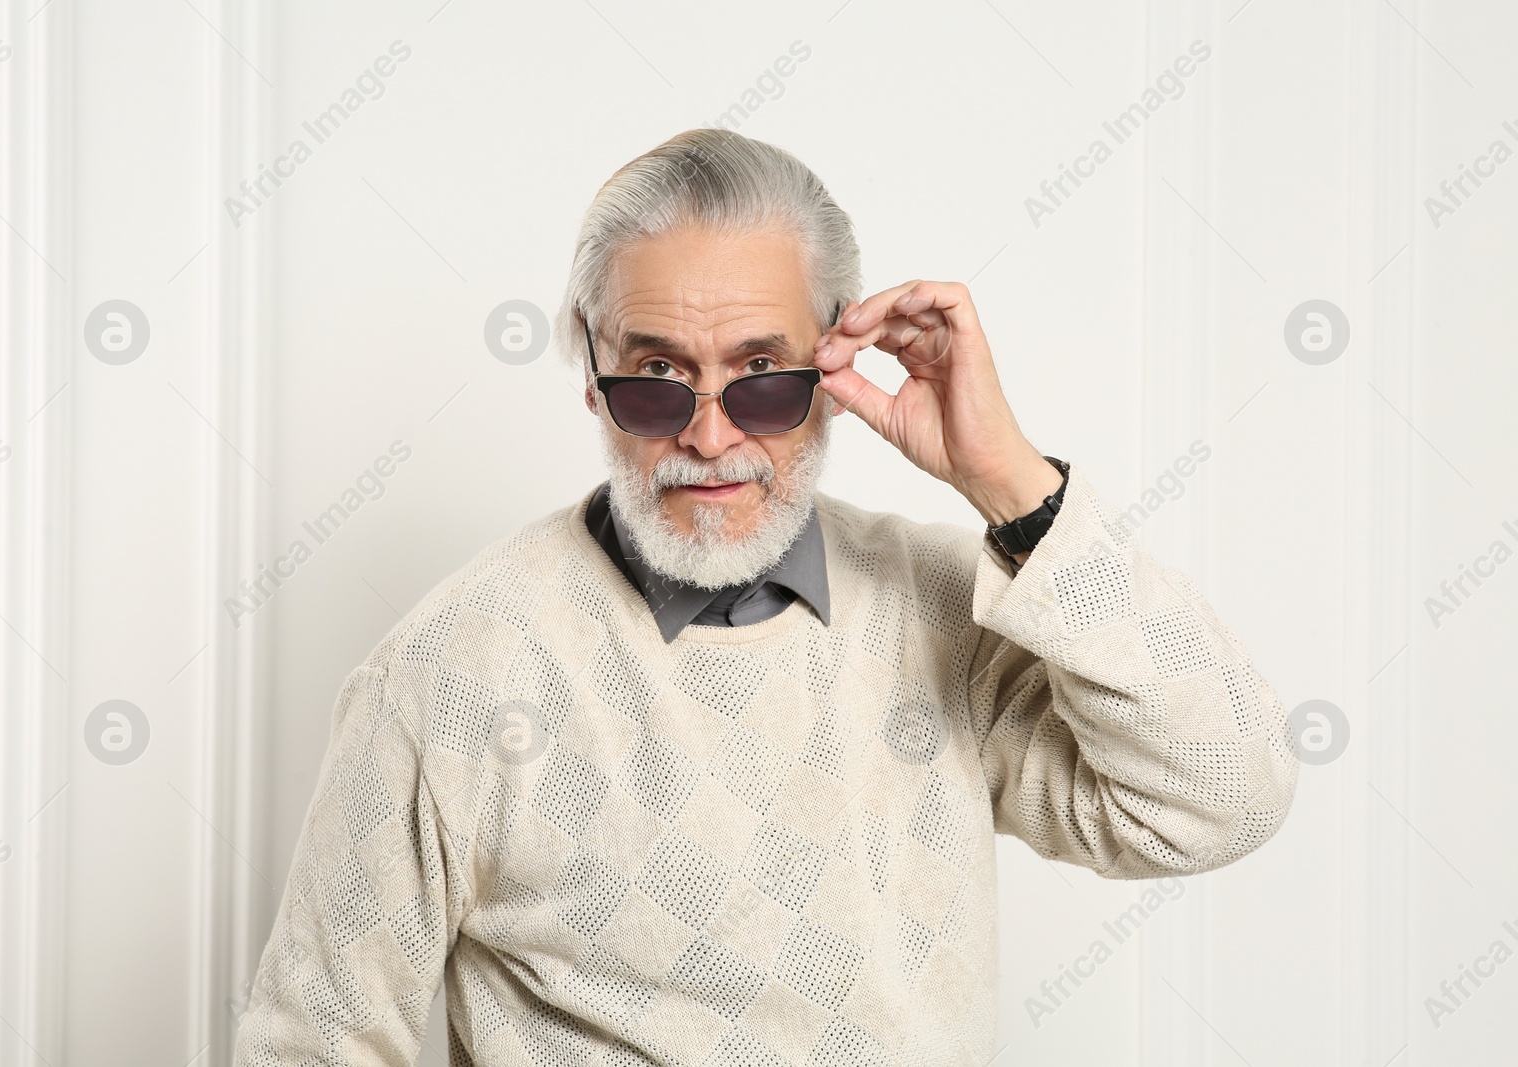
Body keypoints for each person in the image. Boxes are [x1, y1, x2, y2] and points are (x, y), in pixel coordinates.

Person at [233, 127, 1298, 1066]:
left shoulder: (947, 609)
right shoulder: (450, 670)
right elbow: (312, 1041)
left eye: (763, 375)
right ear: (592, 373)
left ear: (840, 364)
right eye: (655, 377)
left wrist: (1008, 479)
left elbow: (1219, 797)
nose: (708, 436)